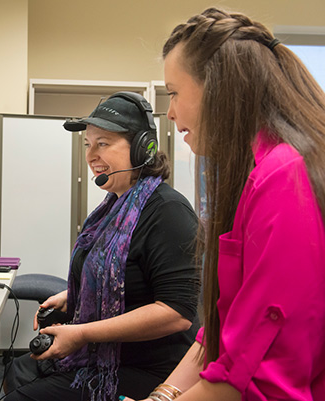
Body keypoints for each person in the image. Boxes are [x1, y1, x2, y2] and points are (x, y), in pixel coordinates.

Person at [126, 8, 325, 401]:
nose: (170, 113)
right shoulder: (258, 173)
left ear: (218, 88)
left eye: (174, 93)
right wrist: (162, 396)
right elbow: (223, 331)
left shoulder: (284, 178)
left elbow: (258, 377)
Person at [3, 92, 200, 401]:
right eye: (87, 144)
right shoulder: (114, 207)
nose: (91, 155)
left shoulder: (167, 211)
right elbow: (122, 276)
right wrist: (73, 295)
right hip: (106, 354)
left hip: (148, 368)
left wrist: (81, 333)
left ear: (142, 149)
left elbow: (177, 312)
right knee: (19, 369)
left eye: (103, 144)